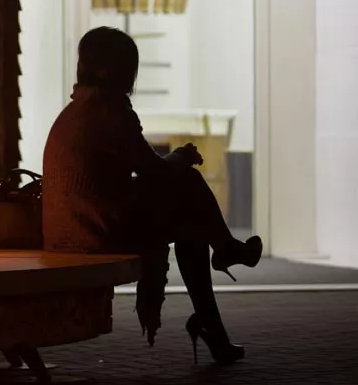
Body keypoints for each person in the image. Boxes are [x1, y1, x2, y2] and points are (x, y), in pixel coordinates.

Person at [42, 26, 262, 365]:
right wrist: (181, 156)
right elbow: (152, 170)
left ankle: (217, 313)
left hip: (74, 228)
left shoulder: (78, 109)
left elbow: (144, 172)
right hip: (97, 232)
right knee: (187, 188)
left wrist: (173, 160)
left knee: (188, 213)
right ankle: (224, 259)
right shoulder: (108, 110)